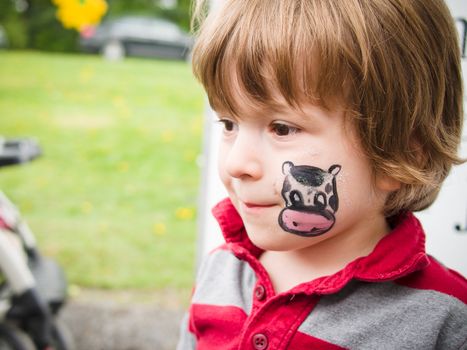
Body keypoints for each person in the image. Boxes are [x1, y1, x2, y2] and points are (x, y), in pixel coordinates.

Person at [178, 0, 467, 348]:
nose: (235, 163)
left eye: (282, 128)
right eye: (229, 123)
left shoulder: (442, 318)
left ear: (398, 152)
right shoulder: (221, 272)